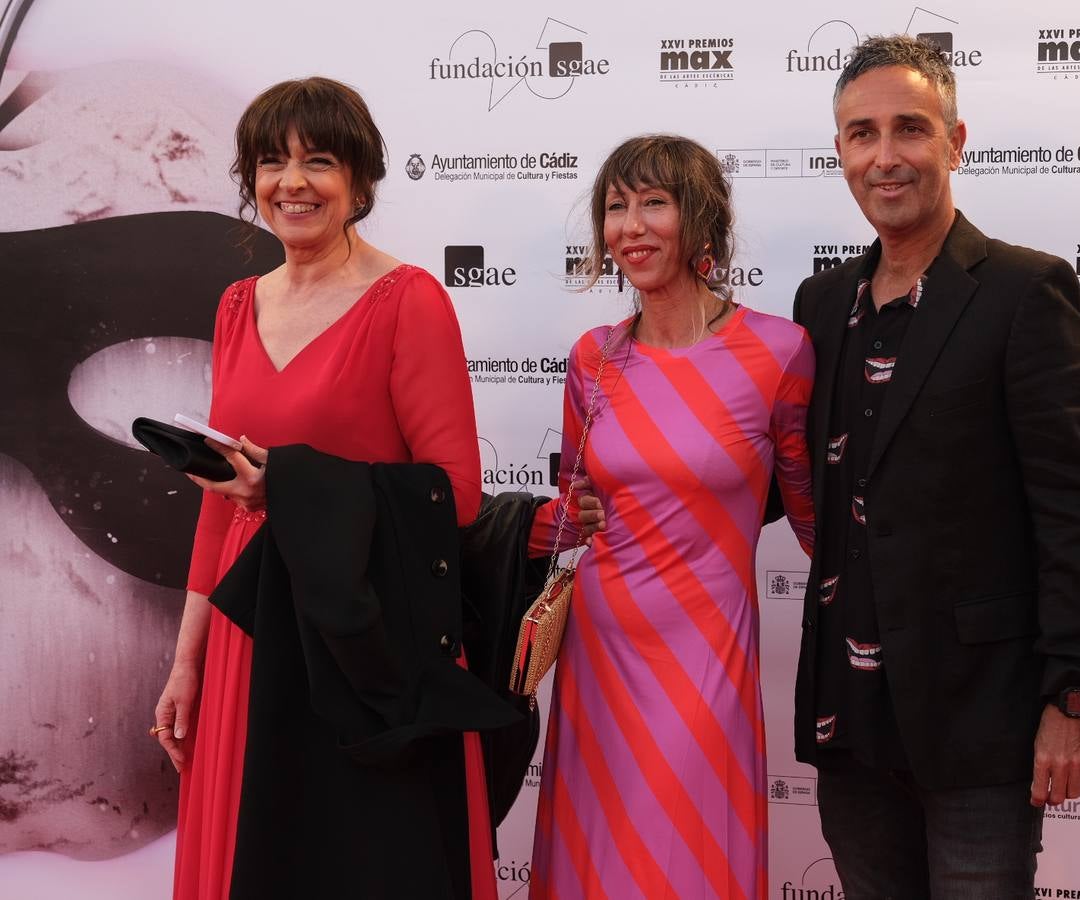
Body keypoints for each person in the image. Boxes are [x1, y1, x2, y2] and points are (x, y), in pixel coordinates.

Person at [788, 36, 1080, 898]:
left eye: (910, 128)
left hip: (983, 714)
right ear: (840, 153)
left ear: (956, 141)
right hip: (849, 717)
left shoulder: (1024, 291)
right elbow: (778, 469)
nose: (885, 155)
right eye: (861, 134)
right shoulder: (822, 306)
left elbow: (1077, 512)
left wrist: (1074, 695)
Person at [150, 77, 495, 899]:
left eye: (318, 161)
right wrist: (187, 661)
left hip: (356, 637)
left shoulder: (409, 301)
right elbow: (215, 500)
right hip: (246, 629)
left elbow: (457, 494)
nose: (292, 182)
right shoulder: (237, 305)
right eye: (272, 162)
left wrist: (291, 491)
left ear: (360, 183)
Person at [527, 134, 815, 899]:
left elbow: (814, 520)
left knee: (693, 857)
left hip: (708, 652)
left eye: (654, 202)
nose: (631, 226)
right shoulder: (595, 357)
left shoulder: (779, 352)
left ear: (702, 221)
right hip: (602, 648)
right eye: (616, 207)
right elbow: (574, 503)